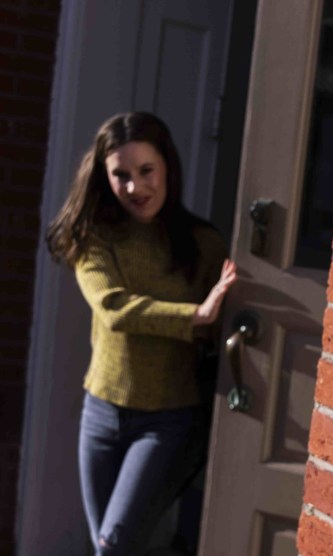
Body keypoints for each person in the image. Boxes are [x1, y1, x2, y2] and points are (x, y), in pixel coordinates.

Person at [45, 112, 237, 554]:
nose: (135, 187)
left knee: (113, 546)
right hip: (101, 413)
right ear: (104, 177)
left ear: (167, 165)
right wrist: (194, 314)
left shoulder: (204, 244)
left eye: (146, 171)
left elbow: (229, 324)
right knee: (108, 546)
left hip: (167, 419)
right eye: (121, 175)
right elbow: (113, 307)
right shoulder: (95, 238)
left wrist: (211, 321)